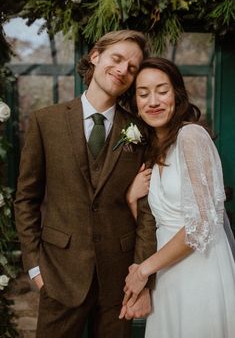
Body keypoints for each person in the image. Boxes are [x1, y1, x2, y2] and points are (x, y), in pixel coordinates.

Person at [14, 30, 157, 338]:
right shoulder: (45, 121)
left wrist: (142, 273)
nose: (122, 70)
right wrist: (35, 267)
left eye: (131, 68)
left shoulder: (139, 130)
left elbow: (148, 211)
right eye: (117, 58)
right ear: (96, 56)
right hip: (58, 273)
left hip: (118, 278)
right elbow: (25, 199)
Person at [120, 57, 235, 337]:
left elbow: (203, 224)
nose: (154, 101)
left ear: (177, 94)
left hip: (200, 271)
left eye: (163, 90)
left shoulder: (191, 136)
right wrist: (132, 199)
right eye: (143, 94)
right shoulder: (150, 150)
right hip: (167, 274)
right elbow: (158, 223)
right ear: (135, 103)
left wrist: (143, 271)